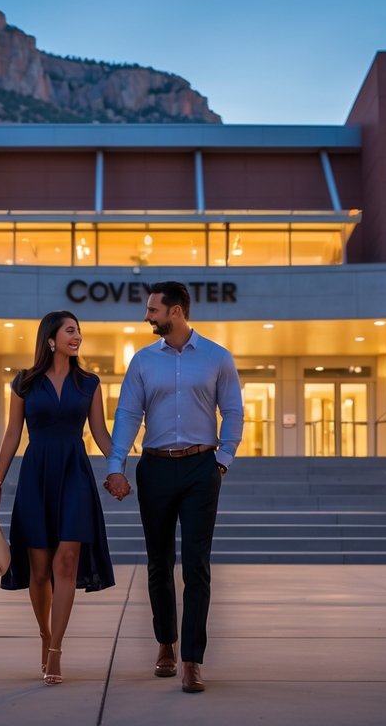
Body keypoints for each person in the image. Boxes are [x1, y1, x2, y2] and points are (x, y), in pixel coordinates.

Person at [104, 281, 243, 693]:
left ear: (176, 311)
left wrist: (222, 460)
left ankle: (192, 660)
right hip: (156, 468)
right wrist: (116, 466)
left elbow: (233, 411)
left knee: (197, 565)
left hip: (202, 467)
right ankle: (166, 643)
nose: (147, 316)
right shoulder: (143, 361)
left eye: (153, 310)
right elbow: (128, 414)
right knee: (159, 562)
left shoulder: (217, 357)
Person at [0, 310, 115, 686]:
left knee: (68, 561)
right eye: (70, 331)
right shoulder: (24, 382)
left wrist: (120, 466)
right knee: (39, 570)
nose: (77, 336)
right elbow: (13, 434)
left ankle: (56, 649)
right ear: (51, 339)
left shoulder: (89, 383)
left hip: (74, 474)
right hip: (36, 475)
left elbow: (99, 432)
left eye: (79, 331)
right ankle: (45, 634)